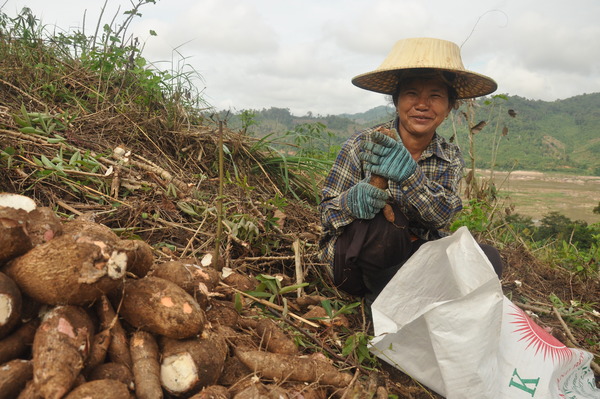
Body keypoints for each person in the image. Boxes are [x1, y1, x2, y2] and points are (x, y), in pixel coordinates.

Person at [319, 37, 503, 303]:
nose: (422, 105)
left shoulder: (448, 156)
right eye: (412, 94)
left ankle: (405, 297)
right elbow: (326, 213)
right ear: (396, 100)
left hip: (415, 262)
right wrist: (352, 201)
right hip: (354, 264)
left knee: (487, 258)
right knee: (386, 223)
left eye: (435, 96)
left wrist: (410, 176)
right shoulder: (362, 145)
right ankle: (397, 300)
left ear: (449, 106)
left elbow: (442, 218)